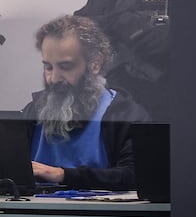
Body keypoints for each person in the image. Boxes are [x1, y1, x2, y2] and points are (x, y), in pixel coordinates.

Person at [21, 15, 147, 191]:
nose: (53, 79)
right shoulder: (32, 111)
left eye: (65, 67)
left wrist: (62, 175)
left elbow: (134, 176)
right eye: (48, 67)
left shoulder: (127, 115)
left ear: (95, 63)